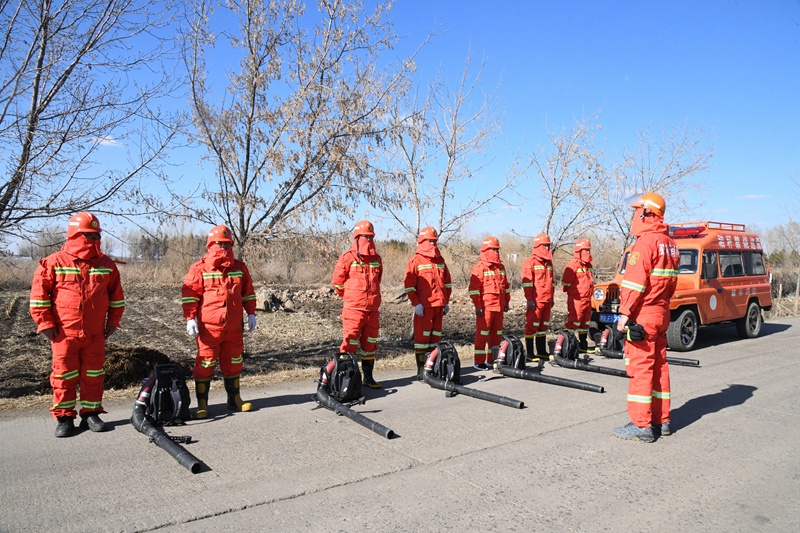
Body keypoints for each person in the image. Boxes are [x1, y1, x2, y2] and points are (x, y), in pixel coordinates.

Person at [30, 212, 125, 437]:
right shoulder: (53, 262)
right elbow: (38, 297)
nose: (93, 240)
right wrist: (45, 324)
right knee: (64, 375)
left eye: (96, 235)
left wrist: (113, 321)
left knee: (93, 375)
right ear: (74, 234)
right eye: (88, 235)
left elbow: (117, 297)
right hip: (64, 333)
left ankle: (91, 414)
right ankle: (64, 417)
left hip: (95, 334)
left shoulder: (106, 264)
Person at [613, 193, 679, 442]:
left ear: (645, 213)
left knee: (640, 369)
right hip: (662, 313)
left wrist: (624, 314)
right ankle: (662, 421)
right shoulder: (670, 244)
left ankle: (641, 425)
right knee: (659, 368)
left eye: (636, 211)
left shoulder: (644, 244)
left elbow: (634, 284)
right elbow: (670, 284)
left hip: (643, 315)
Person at [181, 225, 257, 418]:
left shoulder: (239, 268)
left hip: (233, 327)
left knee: (234, 361)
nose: (224, 247)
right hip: (209, 328)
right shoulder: (199, 268)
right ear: (210, 244)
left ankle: (234, 400)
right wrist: (190, 318)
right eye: (220, 244)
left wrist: (251, 313)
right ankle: (202, 405)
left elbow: (248, 293)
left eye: (227, 244)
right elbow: (190, 295)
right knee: (205, 363)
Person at [331, 220, 383, 388]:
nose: (368, 240)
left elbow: (378, 280)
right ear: (357, 237)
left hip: (372, 310)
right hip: (354, 310)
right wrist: (351, 298)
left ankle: (368, 377)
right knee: (350, 343)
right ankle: (346, 379)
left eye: (370, 237)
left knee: (370, 344)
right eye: (365, 237)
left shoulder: (377, 259)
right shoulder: (348, 257)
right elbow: (337, 283)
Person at [403, 226, 453, 379]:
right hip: (424, 308)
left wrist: (446, 302)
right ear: (423, 241)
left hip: (439, 307)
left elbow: (447, 283)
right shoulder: (415, 261)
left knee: (435, 338)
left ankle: (433, 368)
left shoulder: (440, 261)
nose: (433, 244)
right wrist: (416, 303)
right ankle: (421, 370)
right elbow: (409, 286)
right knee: (421, 340)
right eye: (430, 241)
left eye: (435, 241)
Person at [468, 236, 510, 370]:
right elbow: (474, 290)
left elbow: (506, 287)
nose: (496, 252)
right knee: (482, 334)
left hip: (499, 307)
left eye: (497, 249)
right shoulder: (479, 268)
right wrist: (478, 306)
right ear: (486, 249)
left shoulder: (500, 267)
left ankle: (492, 360)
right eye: (493, 249)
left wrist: (506, 302)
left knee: (496, 335)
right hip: (486, 308)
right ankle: (479, 362)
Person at [521, 233, 555, 361]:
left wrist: (552, 298)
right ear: (538, 246)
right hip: (536, 301)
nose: (547, 248)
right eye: (545, 245)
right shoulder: (530, 262)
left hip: (547, 300)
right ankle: (530, 353)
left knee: (543, 326)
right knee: (531, 326)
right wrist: (529, 299)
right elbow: (527, 283)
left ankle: (541, 351)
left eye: (548, 246)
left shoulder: (549, 263)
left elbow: (552, 282)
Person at [562, 238, 595, 354]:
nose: (588, 253)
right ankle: (568, 345)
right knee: (573, 322)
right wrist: (571, 292)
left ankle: (583, 346)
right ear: (579, 251)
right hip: (576, 299)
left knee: (584, 323)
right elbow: (566, 282)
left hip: (587, 299)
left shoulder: (589, 265)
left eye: (589, 250)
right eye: (586, 250)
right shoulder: (573, 264)